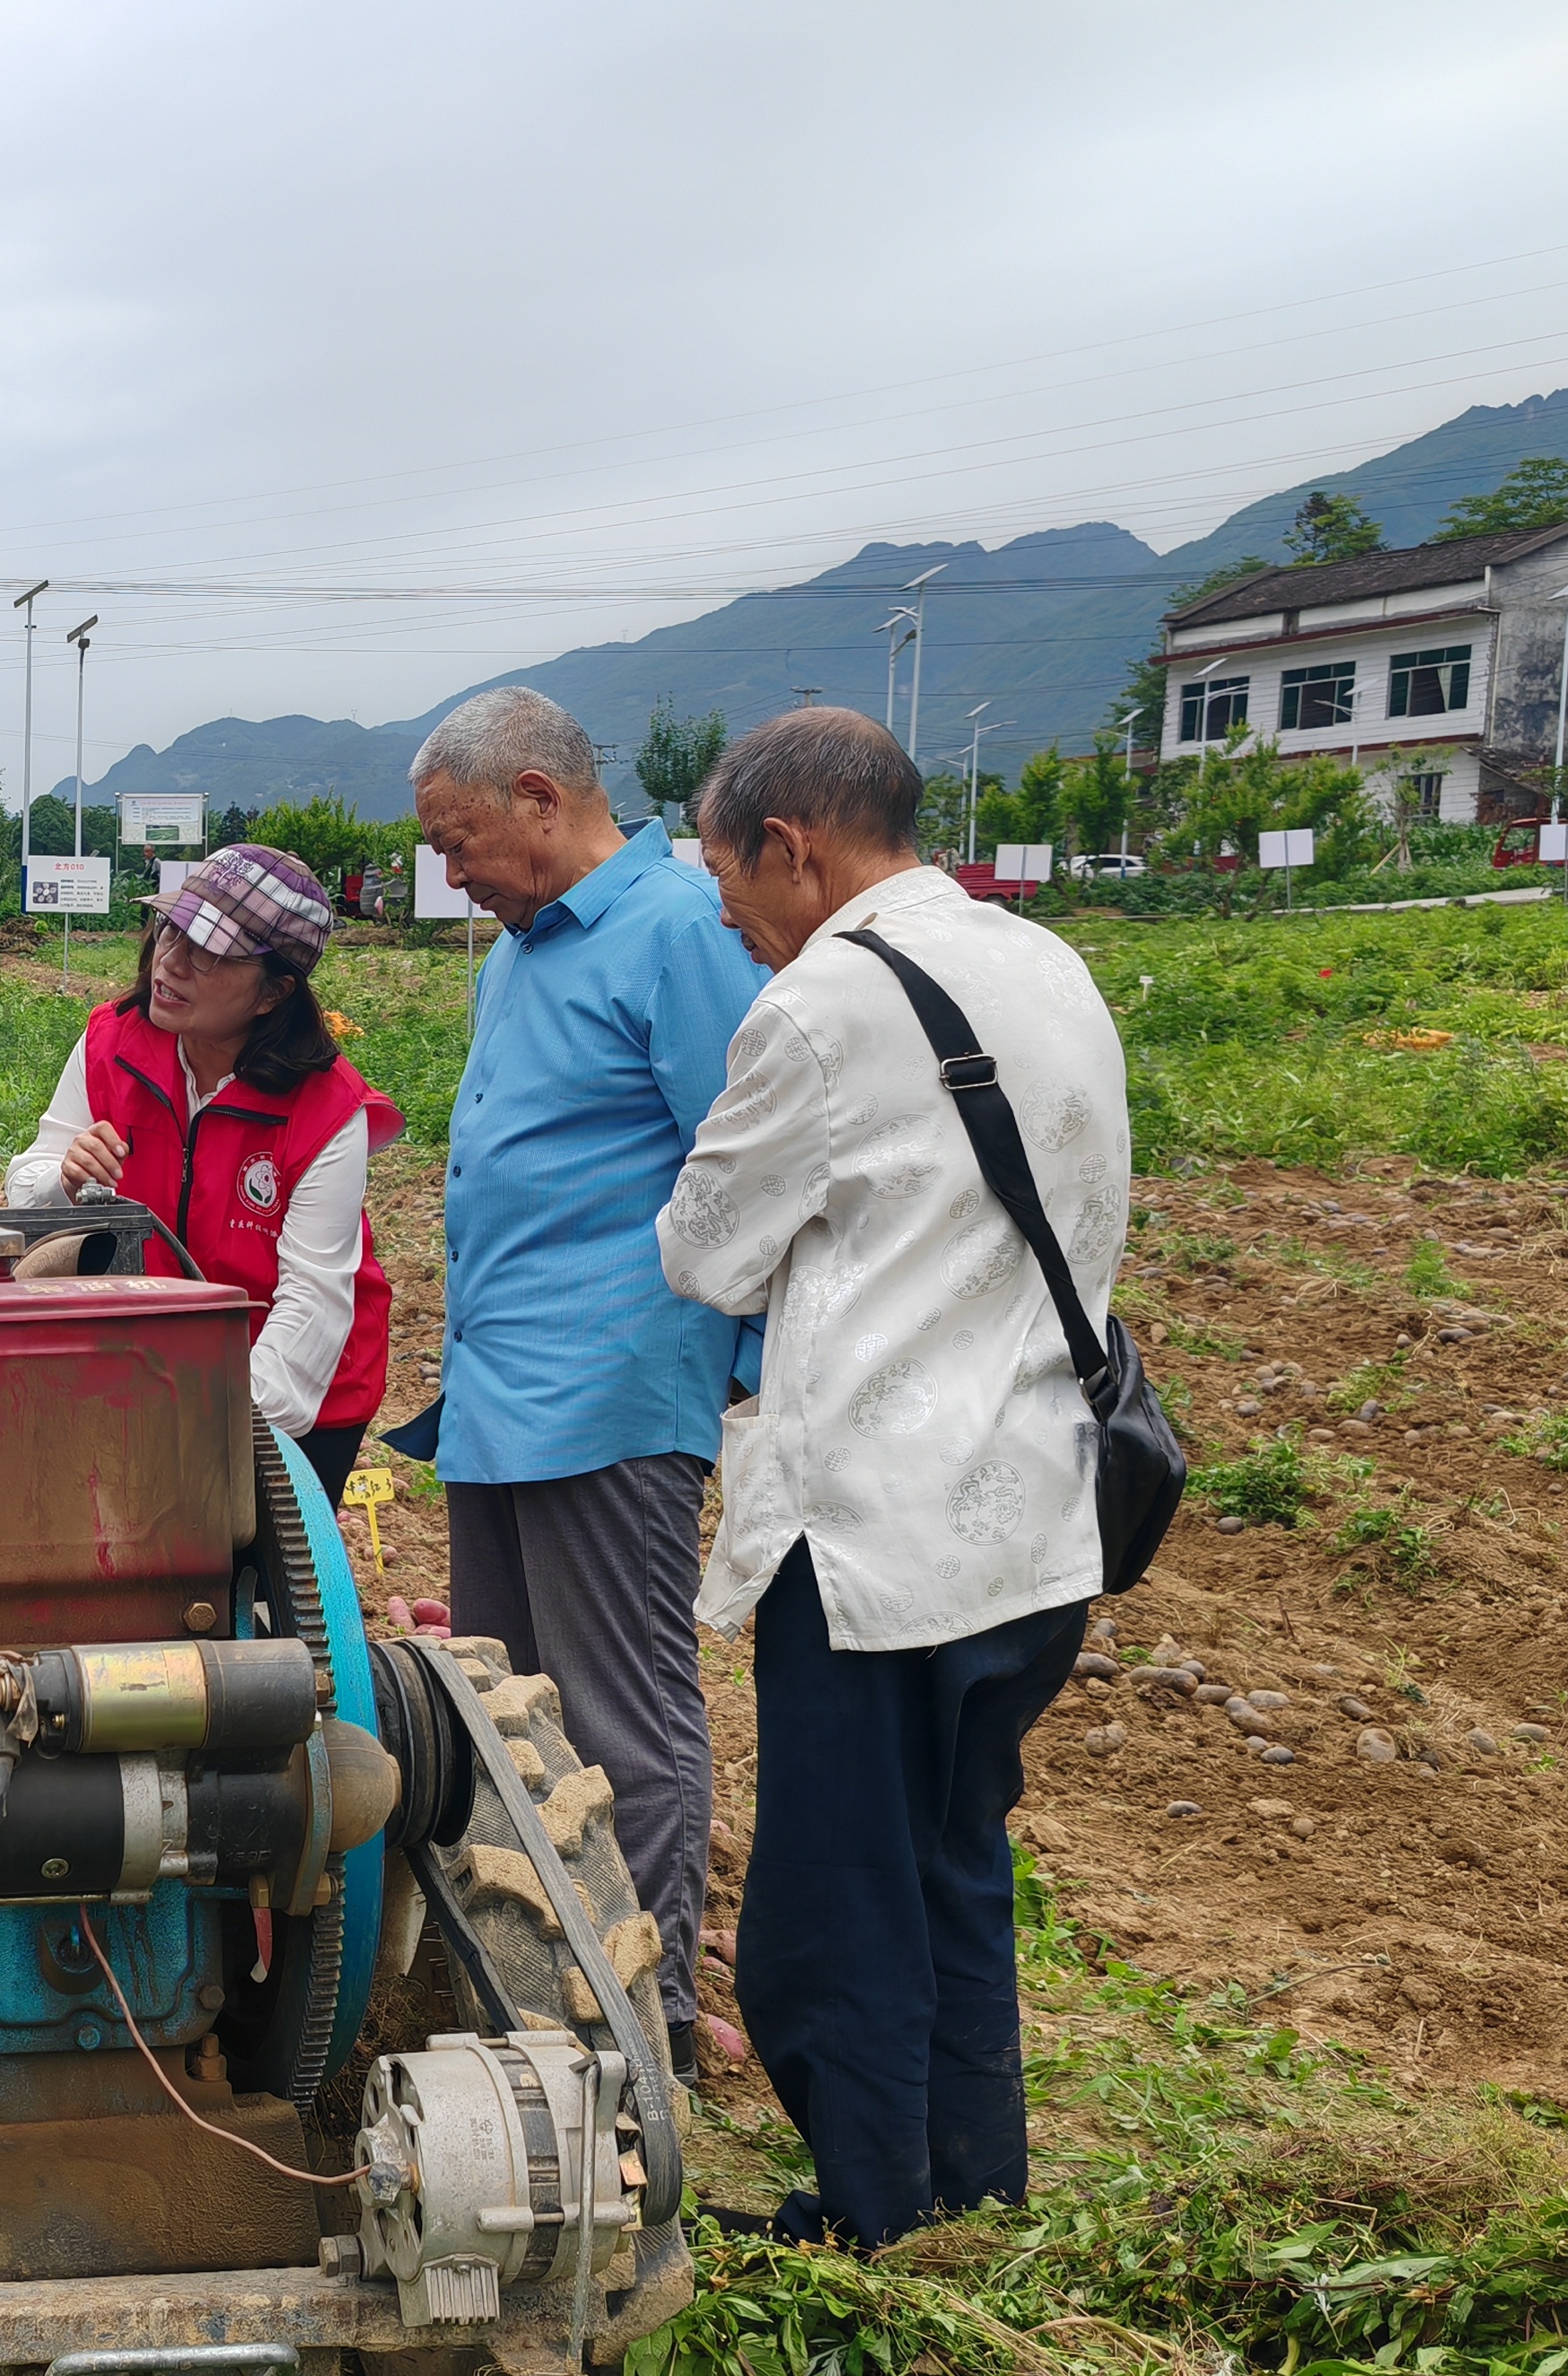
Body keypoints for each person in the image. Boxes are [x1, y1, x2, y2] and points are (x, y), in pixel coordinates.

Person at [656, 708, 1131, 2251]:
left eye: (727, 880)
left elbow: (703, 1251)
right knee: (951, 1869)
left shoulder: (820, 1004)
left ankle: (871, 2220)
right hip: (1033, 1514)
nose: (728, 915)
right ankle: (968, 2193)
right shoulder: (1045, 964)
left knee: (832, 1905)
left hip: (869, 1537)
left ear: (787, 848)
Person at [407, 686, 765, 2084]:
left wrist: (735, 1374)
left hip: (613, 1392)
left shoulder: (677, 931)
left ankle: (642, 2025)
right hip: (502, 1393)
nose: (453, 875)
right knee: (510, 1719)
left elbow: (748, 1165)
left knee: (621, 1721)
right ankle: (535, 2003)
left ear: (540, 799)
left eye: (461, 842)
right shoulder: (519, 953)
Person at [5, 844, 399, 1501]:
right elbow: (28, 1188)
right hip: (149, 1368)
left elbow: (310, 1306)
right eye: (172, 930)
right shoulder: (113, 1043)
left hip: (295, 1385)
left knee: (253, 1549)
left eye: (210, 953)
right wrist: (63, 1179)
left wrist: (196, 1421)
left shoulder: (328, 1110)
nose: (171, 963)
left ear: (274, 992)